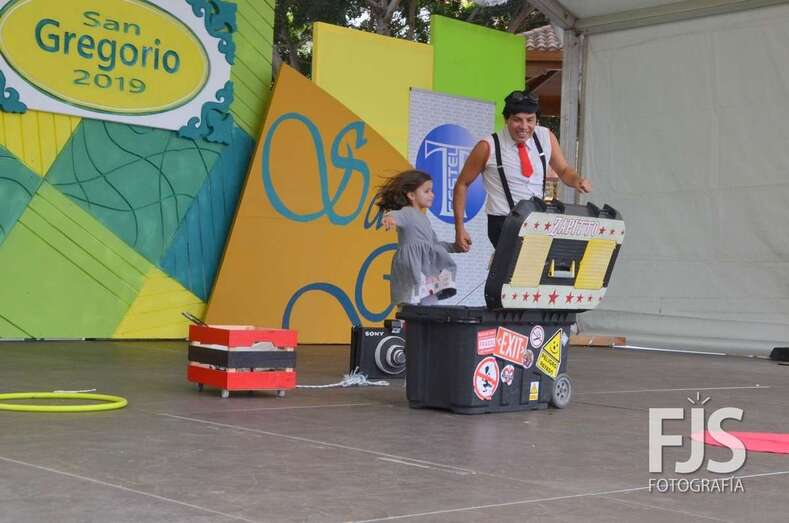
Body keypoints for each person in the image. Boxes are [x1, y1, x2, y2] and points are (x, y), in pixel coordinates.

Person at [453, 90, 592, 251]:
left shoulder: (546, 136)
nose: (524, 127)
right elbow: (462, 184)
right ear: (506, 119)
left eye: (530, 120)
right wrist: (459, 228)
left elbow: (563, 170)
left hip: (537, 220)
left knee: (539, 272)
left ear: (536, 120)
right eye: (517, 120)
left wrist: (577, 181)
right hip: (504, 222)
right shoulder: (488, 146)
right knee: (515, 273)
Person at [377, 170, 461, 305]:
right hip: (413, 265)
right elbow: (396, 215)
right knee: (412, 300)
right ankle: (410, 323)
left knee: (429, 301)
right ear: (411, 195)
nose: (432, 195)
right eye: (426, 191)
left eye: (432, 191)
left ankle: (425, 322)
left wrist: (455, 247)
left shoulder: (424, 219)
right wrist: (389, 218)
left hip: (426, 268)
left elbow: (434, 244)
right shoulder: (407, 212)